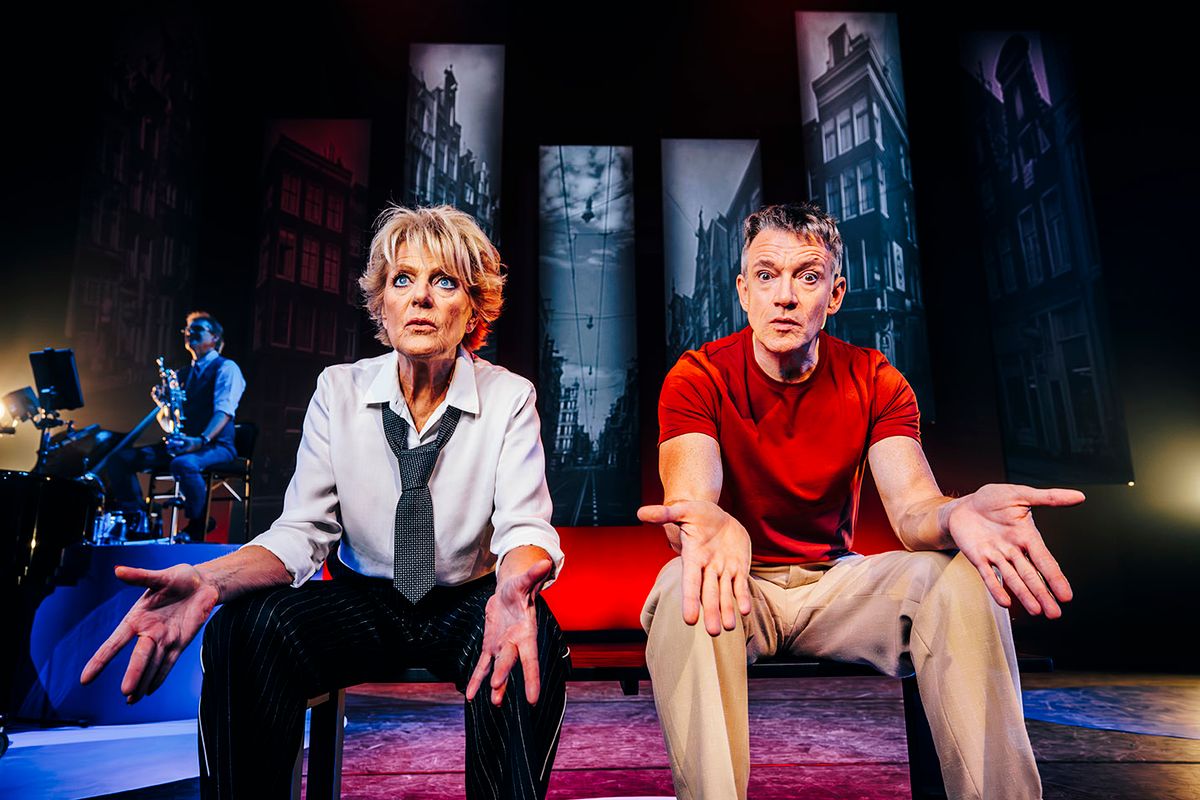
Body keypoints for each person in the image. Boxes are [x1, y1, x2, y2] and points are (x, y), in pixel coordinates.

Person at [81, 205, 570, 799]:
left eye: (444, 282)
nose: (420, 297)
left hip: (468, 602)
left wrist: (515, 588)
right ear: (382, 305)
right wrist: (210, 579)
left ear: (473, 308)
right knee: (245, 628)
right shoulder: (339, 390)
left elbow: (524, 526)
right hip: (366, 602)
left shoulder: (510, 396)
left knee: (528, 638)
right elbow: (302, 531)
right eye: (403, 279)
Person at [638, 202, 1083, 800]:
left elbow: (914, 509)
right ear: (744, 291)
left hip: (837, 586)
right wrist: (707, 522)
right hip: (741, 587)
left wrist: (956, 512)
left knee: (959, 576)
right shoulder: (698, 375)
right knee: (683, 587)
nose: (784, 296)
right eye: (766, 276)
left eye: (808, 276)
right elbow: (691, 501)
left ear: (835, 294)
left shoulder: (875, 379)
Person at [104, 311, 245, 541]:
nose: (190, 333)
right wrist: (164, 405)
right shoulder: (182, 375)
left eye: (197, 329)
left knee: (183, 464)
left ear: (215, 337)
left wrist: (200, 440)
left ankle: (198, 525)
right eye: (187, 330)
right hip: (185, 445)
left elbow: (224, 412)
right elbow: (170, 425)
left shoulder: (227, 368)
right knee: (119, 459)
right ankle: (138, 520)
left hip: (216, 445)